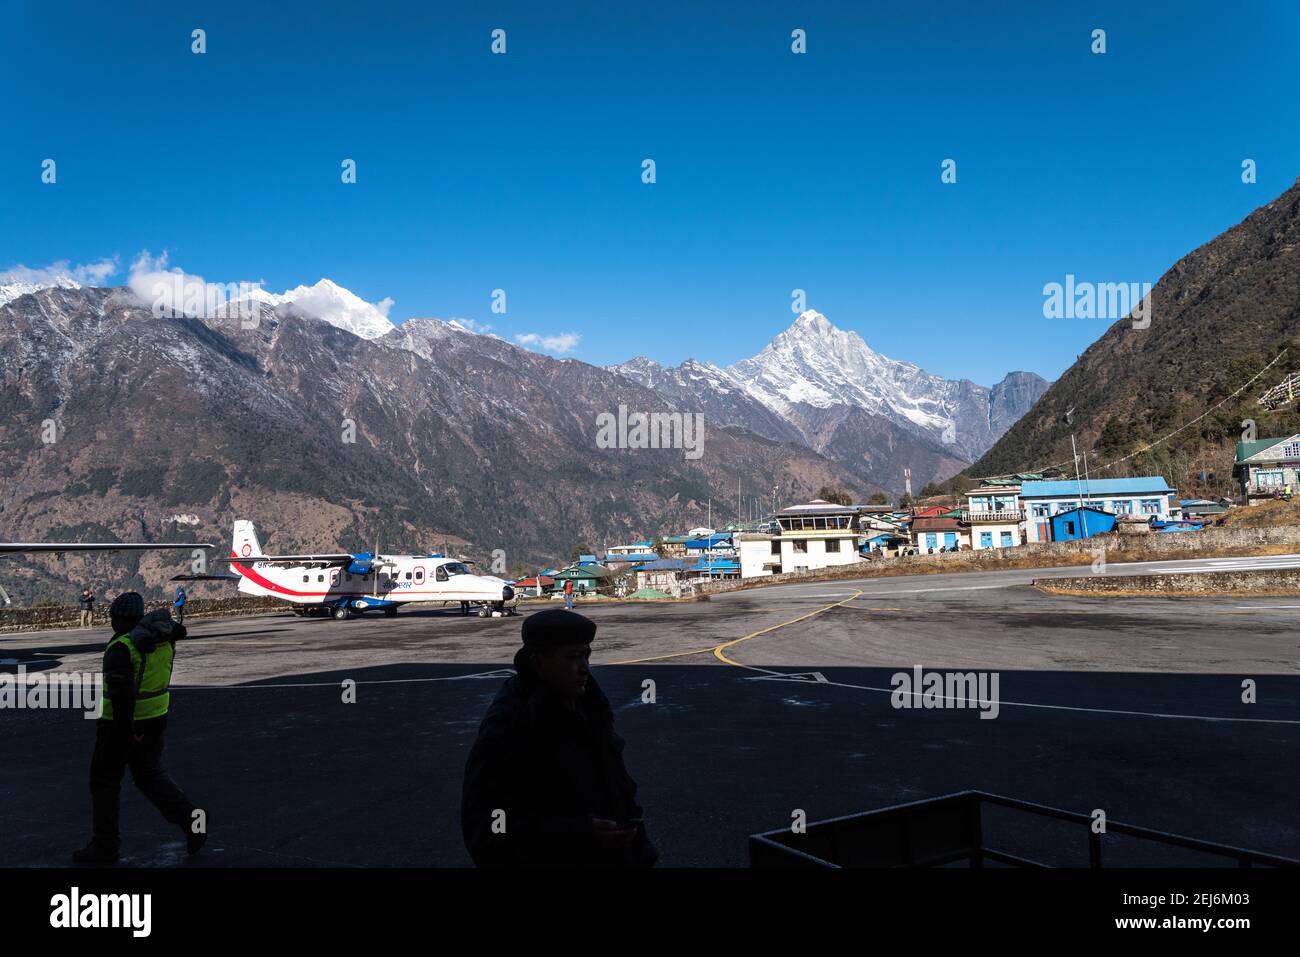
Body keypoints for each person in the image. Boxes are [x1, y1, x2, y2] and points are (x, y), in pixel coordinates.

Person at [461, 609, 657, 868]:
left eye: (587, 655)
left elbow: (616, 782)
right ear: (538, 662)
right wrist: (576, 834)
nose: (585, 668)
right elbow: (489, 829)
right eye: (572, 657)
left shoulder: (590, 705)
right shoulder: (510, 725)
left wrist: (639, 848)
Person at [73, 593, 206, 864]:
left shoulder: (122, 647)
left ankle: (105, 846)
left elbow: (122, 695)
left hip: (120, 726)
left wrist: (125, 731)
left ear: (121, 618)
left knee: (105, 784)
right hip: (156, 718)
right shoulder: (163, 640)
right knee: (150, 777)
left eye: (113, 618)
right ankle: (193, 820)